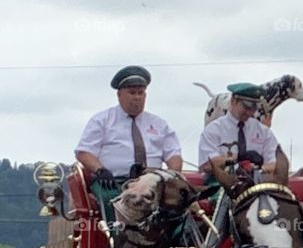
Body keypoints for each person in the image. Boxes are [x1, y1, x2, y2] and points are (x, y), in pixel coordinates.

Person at [75, 66, 183, 219]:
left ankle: (176, 239)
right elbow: (84, 152)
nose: (137, 97)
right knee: (110, 199)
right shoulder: (102, 120)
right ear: (119, 95)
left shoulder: (159, 124)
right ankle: (116, 237)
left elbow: (174, 155)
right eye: (132, 93)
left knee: (179, 200)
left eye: (141, 93)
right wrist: (100, 170)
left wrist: (172, 176)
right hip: (113, 181)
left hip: (151, 180)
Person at [197, 83, 280, 176]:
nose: (249, 112)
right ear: (233, 101)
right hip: (221, 184)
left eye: (254, 108)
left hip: (255, 184)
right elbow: (206, 165)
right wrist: (238, 158)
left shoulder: (263, 132)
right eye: (246, 107)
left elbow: (276, 164)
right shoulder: (214, 130)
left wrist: (259, 169)